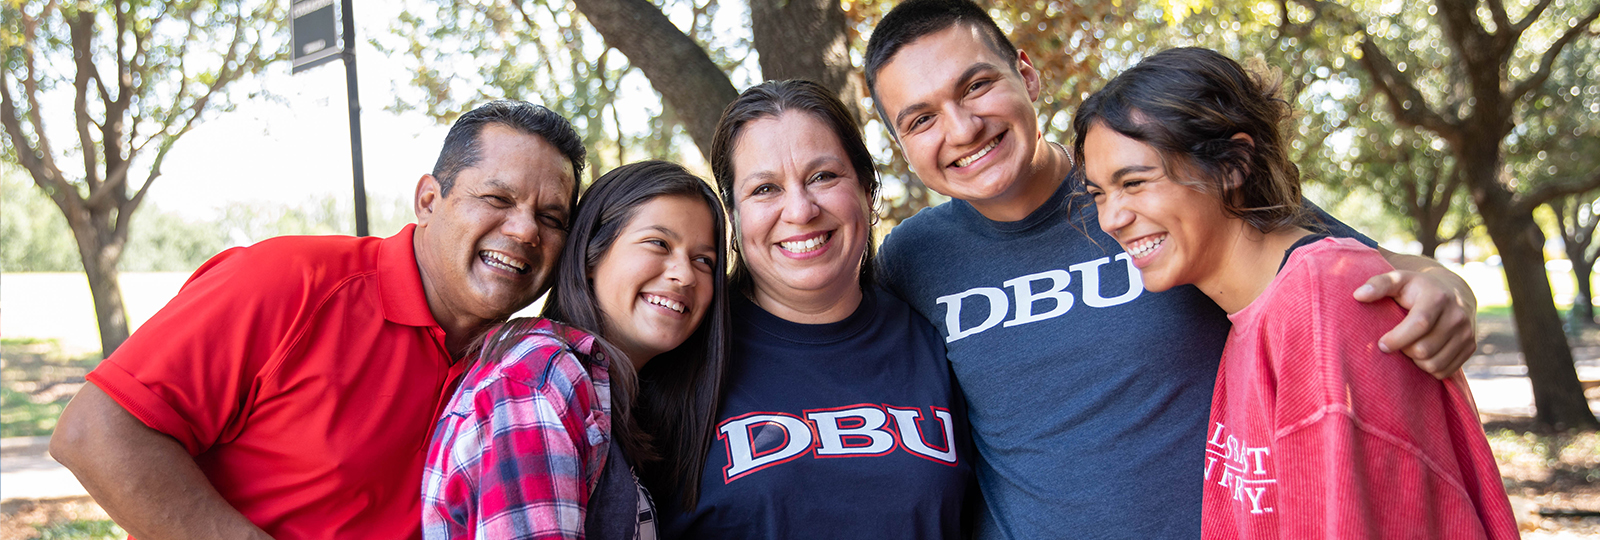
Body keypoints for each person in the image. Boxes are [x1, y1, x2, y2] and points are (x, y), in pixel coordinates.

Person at [862, 1, 1481, 537]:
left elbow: (1339, 265)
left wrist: (1446, 286)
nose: (963, 127)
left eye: (976, 86)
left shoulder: (1158, 183)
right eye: (921, 118)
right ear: (899, 144)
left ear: (1025, 73)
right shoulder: (911, 259)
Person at [49, 100, 585, 539]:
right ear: (428, 200)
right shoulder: (291, 280)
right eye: (497, 198)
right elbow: (95, 433)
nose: (524, 231)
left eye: (551, 217)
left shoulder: (522, 367)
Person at [1075, 46, 1517, 539]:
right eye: (1098, 194)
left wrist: (1452, 283)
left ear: (1233, 163)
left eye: (1135, 182)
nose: (1112, 218)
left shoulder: (1322, 303)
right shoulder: (1253, 314)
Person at [656, 79, 973, 539]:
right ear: (734, 214)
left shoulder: (937, 337)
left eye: (823, 176)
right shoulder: (680, 348)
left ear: (867, 188)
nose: (800, 210)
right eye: (765, 189)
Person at [422, 160, 730, 540]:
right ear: (590, 257)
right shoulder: (540, 378)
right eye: (659, 243)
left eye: (704, 261)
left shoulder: (614, 397)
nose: (684, 275)